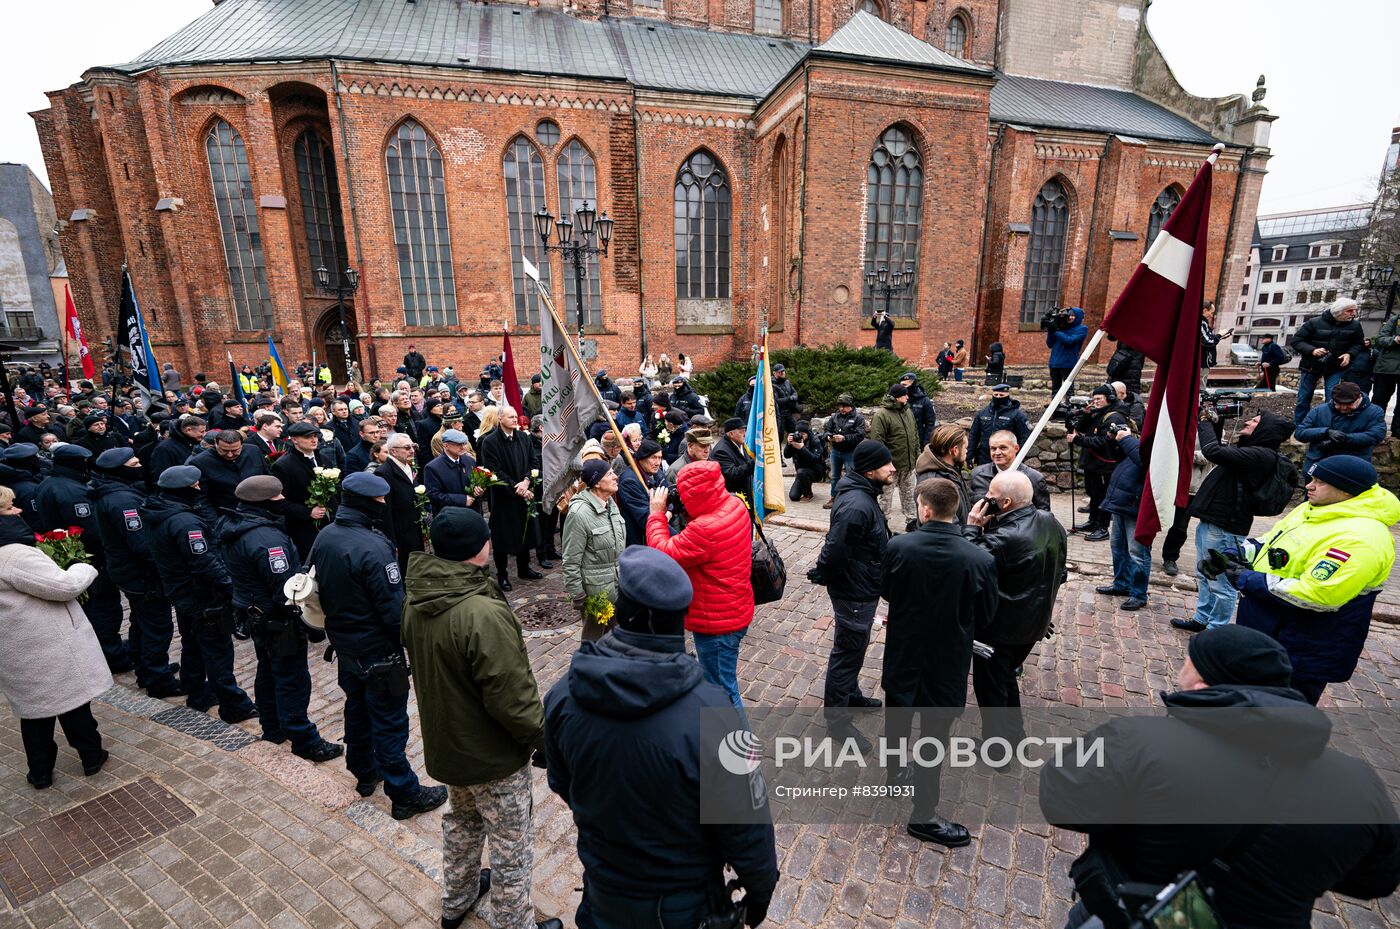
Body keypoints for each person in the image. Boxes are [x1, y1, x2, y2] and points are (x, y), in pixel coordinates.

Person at [1040, 625, 1400, 929]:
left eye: (1185, 664)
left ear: (1201, 688)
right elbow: (1375, 880)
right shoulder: (1360, 785)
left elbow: (1060, 802)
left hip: (1130, 913)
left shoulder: (1136, 742)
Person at [544, 546, 778, 929]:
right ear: (681, 620)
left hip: (604, 891)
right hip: (679, 903)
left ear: (621, 610)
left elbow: (562, 783)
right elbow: (748, 825)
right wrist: (760, 891)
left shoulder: (562, 695)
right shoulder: (715, 713)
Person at [399, 507, 558, 929]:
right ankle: (514, 921)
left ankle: (456, 899)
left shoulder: (418, 596)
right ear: (477, 550)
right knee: (510, 842)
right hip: (491, 754)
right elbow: (513, 700)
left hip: (448, 743)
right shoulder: (479, 613)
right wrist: (549, 742)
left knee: (462, 823)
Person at [310, 471, 447, 818]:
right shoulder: (374, 546)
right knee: (388, 721)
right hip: (378, 651)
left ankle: (364, 772)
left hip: (345, 645)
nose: (384, 504)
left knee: (357, 710)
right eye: (380, 500)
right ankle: (403, 793)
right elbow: (393, 609)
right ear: (368, 504)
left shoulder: (326, 535)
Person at [1222, 456, 1400, 705]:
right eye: (1311, 478)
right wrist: (1235, 554)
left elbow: (1318, 594)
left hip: (1300, 646)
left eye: (1320, 481)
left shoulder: (1363, 537)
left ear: (1347, 491)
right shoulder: (1313, 508)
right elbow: (1272, 541)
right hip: (1268, 632)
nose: (1309, 486)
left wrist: (1247, 579)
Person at [882, 477, 999, 848]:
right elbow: (988, 612)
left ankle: (896, 774)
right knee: (933, 737)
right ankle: (923, 814)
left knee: (898, 718)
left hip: (905, 650)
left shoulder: (899, 546)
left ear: (925, 508)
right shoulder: (979, 557)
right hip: (947, 657)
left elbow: (885, 590)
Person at [220, 476, 343, 763]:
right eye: (278, 500)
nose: (282, 504)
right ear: (265, 503)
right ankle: (304, 740)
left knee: (267, 672)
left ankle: (272, 727)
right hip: (277, 619)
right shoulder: (266, 539)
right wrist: (308, 621)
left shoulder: (235, 525)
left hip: (255, 614)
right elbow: (285, 590)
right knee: (291, 679)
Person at [0, 487, 111, 790]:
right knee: (72, 703)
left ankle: (40, 773)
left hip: (13, 646)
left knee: (35, 713)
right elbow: (62, 586)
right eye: (10, 508)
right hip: (44, 644)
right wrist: (82, 568)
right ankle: (91, 756)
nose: (18, 511)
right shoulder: (13, 554)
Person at [142, 465, 257, 721]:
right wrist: (230, 587)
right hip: (202, 595)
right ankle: (233, 704)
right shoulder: (185, 522)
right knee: (217, 650)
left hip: (181, 591)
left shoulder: (160, 511)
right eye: (194, 486)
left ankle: (197, 692)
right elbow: (203, 561)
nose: (198, 489)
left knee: (192, 643)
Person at [964, 471, 1067, 743]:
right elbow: (1061, 573)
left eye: (991, 498)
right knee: (1005, 676)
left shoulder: (1005, 538)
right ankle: (1014, 735)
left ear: (1005, 503)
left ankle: (997, 748)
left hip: (999, 628)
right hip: (1033, 622)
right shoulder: (1051, 522)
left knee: (990, 687)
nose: (985, 501)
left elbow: (966, 565)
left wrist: (973, 527)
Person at [645, 461, 753, 716]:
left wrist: (656, 515)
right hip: (735, 606)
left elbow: (662, 552)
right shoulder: (734, 504)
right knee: (719, 683)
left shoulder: (704, 530)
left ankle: (740, 753)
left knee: (723, 692)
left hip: (717, 623)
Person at [1170, 410, 1293, 633]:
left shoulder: (1260, 455)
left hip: (1226, 525)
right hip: (1214, 522)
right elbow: (1220, 449)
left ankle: (1215, 630)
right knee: (1205, 573)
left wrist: (1204, 422)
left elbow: (1212, 451)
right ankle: (1202, 619)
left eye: (1255, 421)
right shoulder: (1251, 451)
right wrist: (1217, 422)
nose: (1248, 422)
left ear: (1266, 429)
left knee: (1220, 581)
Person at [89, 448, 183, 697]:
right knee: (157, 626)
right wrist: (165, 566)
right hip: (141, 575)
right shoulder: (123, 500)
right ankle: (158, 678)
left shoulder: (116, 493)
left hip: (128, 571)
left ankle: (146, 668)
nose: (140, 465)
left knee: (142, 622)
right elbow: (141, 544)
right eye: (134, 463)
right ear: (120, 469)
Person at [33, 444, 131, 673]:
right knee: (104, 608)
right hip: (89, 559)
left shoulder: (47, 483)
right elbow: (91, 530)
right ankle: (111, 653)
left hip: (67, 555)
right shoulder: (73, 491)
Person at [813, 440, 892, 716]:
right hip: (854, 591)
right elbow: (835, 549)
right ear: (870, 470)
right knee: (847, 653)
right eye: (887, 464)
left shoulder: (864, 493)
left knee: (854, 649)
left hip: (861, 585)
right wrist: (823, 573)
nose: (893, 468)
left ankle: (850, 694)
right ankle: (837, 719)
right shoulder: (857, 505)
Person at [561, 460, 627, 643]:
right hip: (596, 594)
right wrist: (578, 594)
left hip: (617, 586)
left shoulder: (611, 504)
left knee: (619, 641)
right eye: (610, 474)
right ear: (597, 482)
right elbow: (570, 558)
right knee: (595, 643)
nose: (615, 477)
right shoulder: (579, 514)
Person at [478, 406, 541, 591]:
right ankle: (502, 574)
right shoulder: (490, 442)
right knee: (503, 537)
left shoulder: (524, 438)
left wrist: (527, 480)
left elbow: (533, 461)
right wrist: (518, 488)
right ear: (500, 419)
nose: (515, 419)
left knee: (525, 530)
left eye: (516, 416)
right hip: (503, 497)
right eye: (511, 417)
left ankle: (524, 567)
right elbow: (494, 471)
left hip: (524, 491)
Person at [1094, 422, 1151, 610]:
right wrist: (1113, 440)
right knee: (1118, 548)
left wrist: (1126, 439)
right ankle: (1121, 584)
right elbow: (1116, 457)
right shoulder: (1137, 443)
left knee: (1137, 553)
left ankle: (1138, 594)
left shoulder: (1155, 445)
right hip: (1121, 503)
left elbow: (1144, 461)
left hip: (1136, 506)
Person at [1068, 385, 1129, 542]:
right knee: (1094, 494)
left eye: (1099, 399)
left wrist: (1078, 440)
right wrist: (1087, 414)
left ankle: (1102, 527)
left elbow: (1102, 441)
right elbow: (1080, 427)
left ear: (1109, 398)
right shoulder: (1098, 413)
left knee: (1103, 496)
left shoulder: (1114, 417)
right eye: (1094, 399)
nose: (1095, 402)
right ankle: (1093, 521)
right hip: (1093, 463)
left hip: (1105, 464)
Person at [1290, 296, 1365, 423]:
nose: (1354, 314)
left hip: (1335, 367)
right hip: (1311, 365)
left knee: (1333, 397)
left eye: (1355, 310)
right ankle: (1300, 426)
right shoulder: (1314, 322)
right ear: (1339, 311)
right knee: (1304, 397)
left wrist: (1349, 354)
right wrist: (1312, 350)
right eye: (1350, 311)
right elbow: (1297, 340)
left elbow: (1358, 343)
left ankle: (1328, 425)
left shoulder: (1355, 325)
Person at [1294, 380, 1386, 473]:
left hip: (1353, 460)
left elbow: (1376, 435)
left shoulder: (1374, 412)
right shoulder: (1319, 411)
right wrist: (1326, 432)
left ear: (1359, 398)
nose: (1343, 408)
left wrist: (1345, 438)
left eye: (1349, 404)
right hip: (1320, 458)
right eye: (1338, 404)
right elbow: (1300, 433)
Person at [270, 421, 329, 560]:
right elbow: (280, 502)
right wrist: (308, 512)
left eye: (315, 436)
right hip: (303, 528)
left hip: (328, 524)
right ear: (294, 439)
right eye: (308, 437)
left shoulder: (323, 458)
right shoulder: (283, 466)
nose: (314, 440)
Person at [871, 384, 920, 531]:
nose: (908, 397)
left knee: (910, 495)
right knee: (885, 497)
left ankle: (912, 522)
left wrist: (916, 455)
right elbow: (877, 441)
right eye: (905, 395)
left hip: (909, 464)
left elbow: (915, 435)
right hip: (890, 467)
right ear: (897, 397)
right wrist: (884, 463)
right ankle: (881, 522)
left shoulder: (908, 412)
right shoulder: (882, 415)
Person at [375, 432, 424, 578]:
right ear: (393, 451)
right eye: (407, 448)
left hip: (414, 528)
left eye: (413, 446)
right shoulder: (383, 473)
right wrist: (391, 542)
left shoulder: (409, 466)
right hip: (400, 534)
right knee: (406, 571)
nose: (412, 451)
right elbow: (384, 512)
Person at [967, 429, 1050, 511]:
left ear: (1016, 448)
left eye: (1003, 448)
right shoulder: (977, 475)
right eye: (993, 449)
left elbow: (1044, 514)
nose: (997, 453)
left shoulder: (1034, 478)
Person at [190, 430, 268, 515]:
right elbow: (201, 498)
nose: (230, 455)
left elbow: (267, 478)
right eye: (224, 450)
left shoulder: (254, 451)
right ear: (216, 444)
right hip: (228, 516)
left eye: (235, 450)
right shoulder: (201, 462)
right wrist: (215, 524)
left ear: (242, 445)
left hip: (261, 510)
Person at [914, 424, 971, 525]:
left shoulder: (951, 470)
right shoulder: (934, 482)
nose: (967, 451)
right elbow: (945, 527)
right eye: (965, 447)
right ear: (955, 450)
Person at [616, 439, 666, 547]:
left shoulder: (658, 474)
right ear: (642, 458)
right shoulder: (629, 482)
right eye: (653, 457)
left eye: (660, 458)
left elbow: (668, 497)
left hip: (658, 531)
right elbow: (645, 518)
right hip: (641, 541)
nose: (658, 463)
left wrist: (668, 513)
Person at [423, 428, 484, 514]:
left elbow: (474, 483)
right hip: (451, 517)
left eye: (464, 443)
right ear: (446, 445)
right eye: (458, 444)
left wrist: (479, 490)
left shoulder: (470, 461)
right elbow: (433, 496)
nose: (463, 447)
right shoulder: (432, 467)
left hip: (473, 514)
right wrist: (462, 500)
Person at [821, 394, 866, 510]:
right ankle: (834, 497)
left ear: (850, 406)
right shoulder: (835, 417)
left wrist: (844, 438)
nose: (841, 409)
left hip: (850, 452)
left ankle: (851, 499)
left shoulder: (858, 418)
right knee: (835, 476)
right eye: (840, 406)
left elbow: (860, 435)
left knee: (852, 476)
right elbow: (826, 429)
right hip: (836, 451)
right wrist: (828, 437)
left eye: (844, 406)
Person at [967, 384, 1030, 466]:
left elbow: (1024, 437)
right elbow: (974, 435)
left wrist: (1018, 457)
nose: (998, 397)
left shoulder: (1017, 415)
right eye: (996, 395)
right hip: (984, 458)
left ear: (1007, 395)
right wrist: (969, 456)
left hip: (1006, 459)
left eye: (1001, 395)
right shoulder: (983, 413)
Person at [149, 413, 206, 480]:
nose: (204, 434)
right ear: (188, 430)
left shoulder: (197, 443)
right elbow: (160, 476)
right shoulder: (164, 448)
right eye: (202, 432)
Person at [0, 443, 43, 531]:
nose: (38, 459)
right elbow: (35, 520)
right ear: (29, 461)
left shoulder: (7, 477)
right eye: (35, 457)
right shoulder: (29, 489)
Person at [1045, 306, 1088, 391]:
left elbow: (1070, 340)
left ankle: (1069, 403)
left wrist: (1056, 331)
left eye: (1073, 315)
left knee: (1068, 388)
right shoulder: (1061, 327)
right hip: (1054, 362)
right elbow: (1049, 344)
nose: (1070, 317)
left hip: (1067, 363)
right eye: (1069, 315)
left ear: (1078, 317)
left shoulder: (1082, 329)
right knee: (1055, 388)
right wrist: (1051, 330)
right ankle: (1055, 404)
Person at [1371, 311, 1400, 436]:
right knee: (1379, 399)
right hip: (1386, 368)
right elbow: (1380, 340)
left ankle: (1397, 432)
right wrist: (1396, 340)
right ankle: (1374, 429)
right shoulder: (1395, 320)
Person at [709, 417, 754, 496]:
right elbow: (732, 474)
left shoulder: (741, 443)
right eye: (741, 432)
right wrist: (754, 462)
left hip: (745, 494)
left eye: (745, 431)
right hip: (733, 497)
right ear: (731, 434)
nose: (745, 434)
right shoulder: (721, 451)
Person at [899, 371, 937, 447]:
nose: (902, 388)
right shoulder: (899, 398)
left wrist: (926, 442)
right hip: (900, 440)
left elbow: (930, 423)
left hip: (918, 440)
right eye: (901, 385)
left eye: (905, 385)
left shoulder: (924, 400)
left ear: (913, 384)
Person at [1198, 300, 1231, 387]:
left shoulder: (1203, 323)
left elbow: (1209, 339)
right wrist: (1219, 335)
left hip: (1204, 360)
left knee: (1202, 383)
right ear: (1205, 311)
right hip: (1202, 361)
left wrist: (1221, 336)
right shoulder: (1201, 323)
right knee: (1201, 386)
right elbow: (1208, 342)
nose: (1212, 316)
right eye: (1211, 313)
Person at [772, 363, 798, 441]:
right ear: (774, 373)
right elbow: (775, 401)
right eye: (780, 372)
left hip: (789, 413)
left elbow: (794, 392)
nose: (783, 373)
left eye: (783, 371)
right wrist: (789, 399)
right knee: (779, 436)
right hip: (780, 414)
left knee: (795, 434)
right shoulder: (772, 385)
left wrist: (793, 397)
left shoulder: (787, 382)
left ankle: (795, 451)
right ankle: (778, 452)